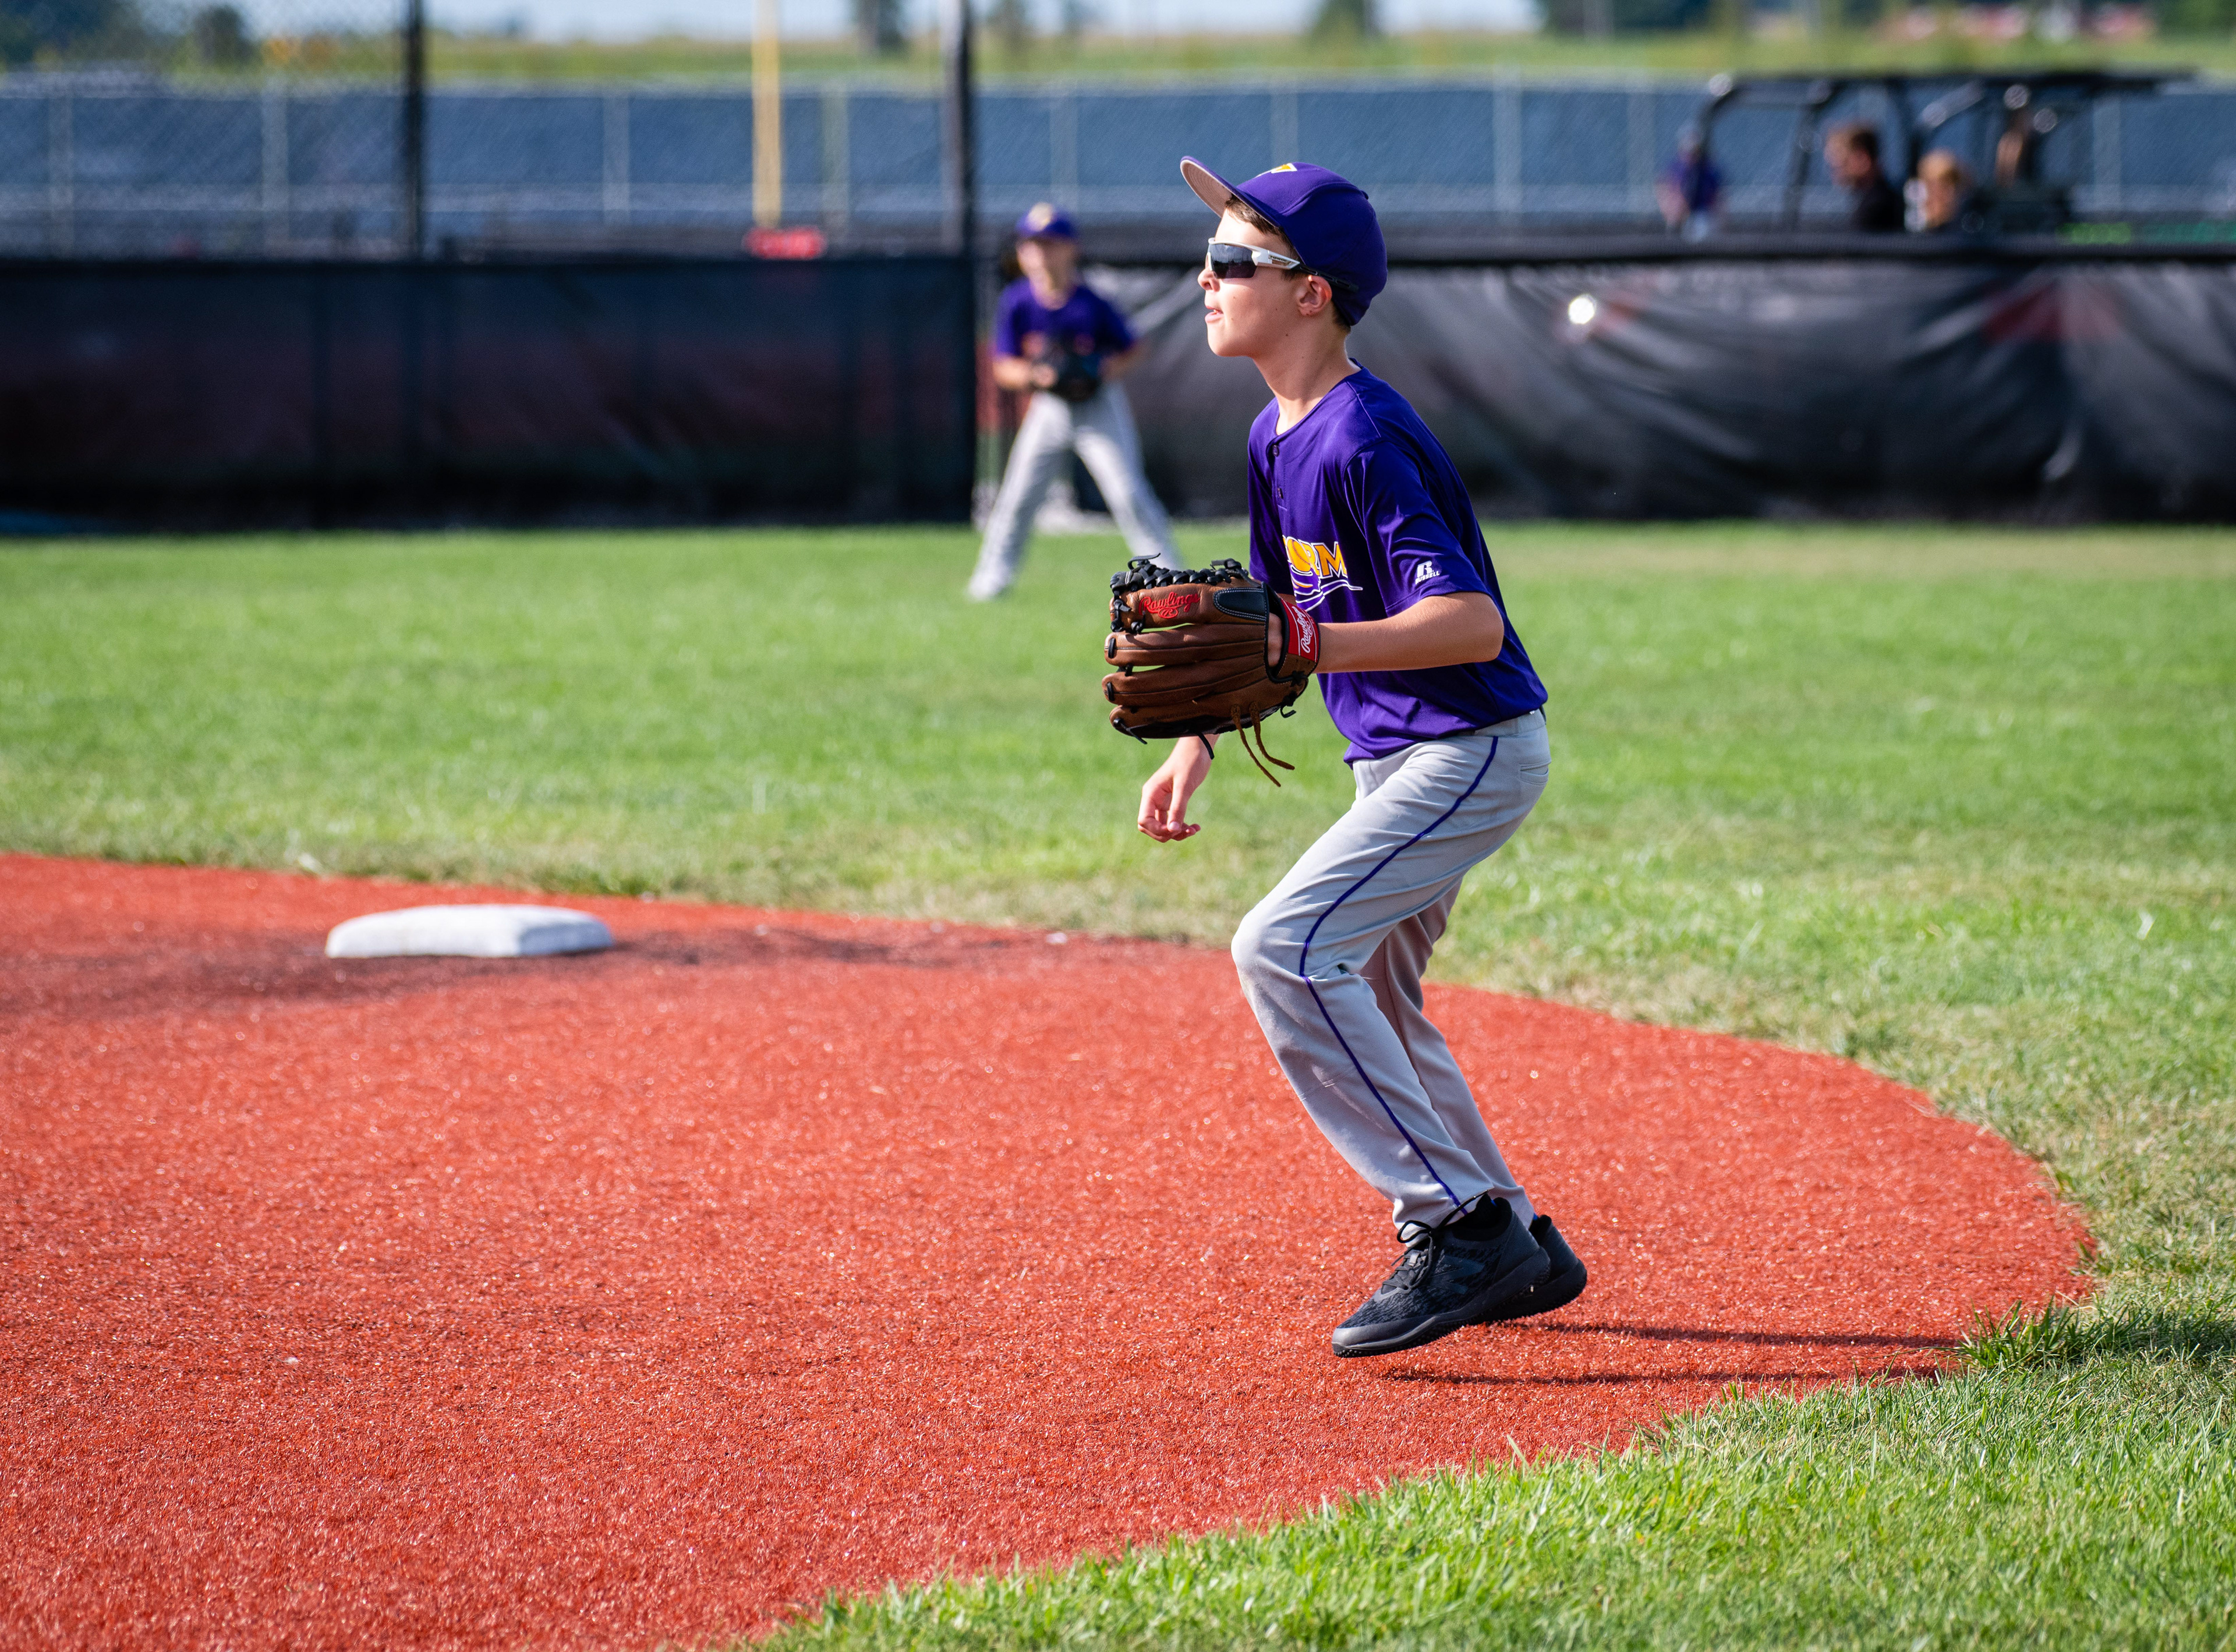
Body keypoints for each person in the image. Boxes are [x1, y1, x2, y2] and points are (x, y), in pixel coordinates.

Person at [1135, 157, 1587, 1359]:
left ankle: (1456, 1223)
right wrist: (1199, 736)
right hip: (1394, 758)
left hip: (1469, 746)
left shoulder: (1363, 436)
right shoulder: (1273, 435)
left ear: (1311, 293)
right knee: (1374, 988)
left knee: (1283, 948)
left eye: (1233, 260)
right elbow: (1267, 620)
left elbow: (1471, 623)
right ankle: (1515, 1231)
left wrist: (1313, 642)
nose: (1206, 279)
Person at [966, 202, 1181, 602]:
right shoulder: (1018, 301)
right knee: (1017, 496)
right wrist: (1037, 376)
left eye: (1050, 243)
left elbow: (1135, 349)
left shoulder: (1089, 302)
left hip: (1098, 407)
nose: (1039, 253)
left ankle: (1169, 575)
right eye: (1031, 244)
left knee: (1127, 493)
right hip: (1049, 408)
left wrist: (1098, 370)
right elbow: (1003, 368)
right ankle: (992, 579)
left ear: (1071, 249)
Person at [1824, 123, 1905, 234]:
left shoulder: (1876, 209)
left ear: (1862, 158)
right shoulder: (1882, 199)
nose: (1834, 171)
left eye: (1840, 163)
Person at [1655, 125, 1722, 240]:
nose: (1691, 156)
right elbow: (1662, 188)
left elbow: (1718, 198)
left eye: (1695, 151)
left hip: (1701, 215)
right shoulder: (1676, 168)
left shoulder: (1707, 170)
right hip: (1681, 217)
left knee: (1702, 227)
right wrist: (1673, 211)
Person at [1913, 150, 1982, 234]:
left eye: (1943, 185)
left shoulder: (1971, 233)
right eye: (1930, 185)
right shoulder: (1910, 235)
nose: (1936, 193)